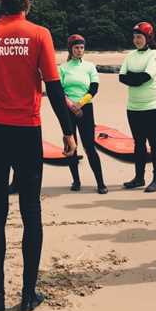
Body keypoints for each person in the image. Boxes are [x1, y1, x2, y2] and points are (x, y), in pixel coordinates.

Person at [0, 0, 76, 311]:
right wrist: (68, 131)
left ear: (0, 2)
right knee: (31, 211)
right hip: (28, 130)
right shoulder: (39, 34)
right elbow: (55, 89)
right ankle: (28, 295)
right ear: (28, 4)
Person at [119, 21, 156, 193]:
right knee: (138, 143)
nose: (136, 40)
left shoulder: (155, 55)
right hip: (133, 107)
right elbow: (121, 77)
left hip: (154, 106)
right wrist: (134, 78)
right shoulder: (130, 56)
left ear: (148, 37)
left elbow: (143, 78)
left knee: (155, 143)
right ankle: (139, 178)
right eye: (135, 37)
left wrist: (133, 77)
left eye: (140, 37)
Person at [59, 34, 107, 194]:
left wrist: (80, 103)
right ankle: (76, 181)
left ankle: (100, 183)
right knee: (71, 145)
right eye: (76, 48)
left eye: (81, 48)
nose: (79, 50)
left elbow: (94, 88)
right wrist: (71, 104)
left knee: (89, 146)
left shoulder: (89, 66)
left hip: (85, 108)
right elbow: (59, 90)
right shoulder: (62, 68)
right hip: (67, 108)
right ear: (70, 49)